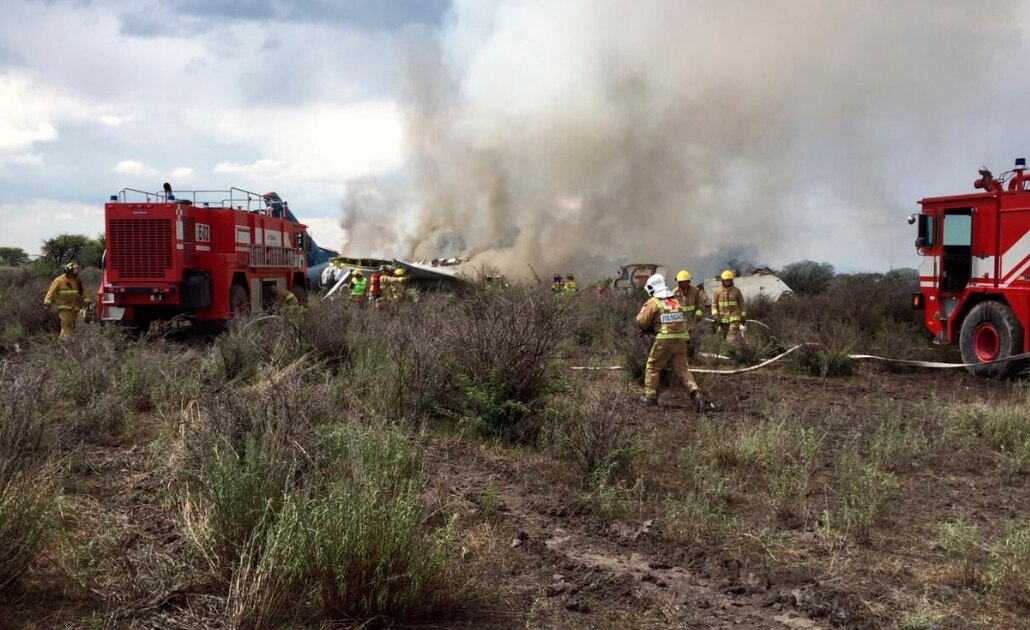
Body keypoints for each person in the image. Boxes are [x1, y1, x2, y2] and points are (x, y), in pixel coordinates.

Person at [635, 273, 711, 411]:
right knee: (682, 369)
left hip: (665, 340)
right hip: (681, 339)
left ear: (652, 288)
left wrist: (650, 325)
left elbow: (642, 321)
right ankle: (696, 394)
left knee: (653, 367)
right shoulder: (675, 301)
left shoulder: (654, 302)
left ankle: (650, 398)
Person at [44, 262, 86, 340]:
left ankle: (62, 340)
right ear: (69, 271)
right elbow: (51, 292)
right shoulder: (59, 280)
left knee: (71, 324)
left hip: (75, 307)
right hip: (63, 306)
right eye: (74, 272)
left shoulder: (77, 281)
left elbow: (82, 292)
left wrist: (87, 301)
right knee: (66, 322)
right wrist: (47, 303)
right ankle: (68, 340)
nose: (76, 274)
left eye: (77, 272)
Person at [711, 270, 747, 343]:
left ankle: (730, 348)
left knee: (731, 337)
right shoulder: (718, 292)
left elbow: (742, 304)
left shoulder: (736, 291)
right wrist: (715, 316)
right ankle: (726, 349)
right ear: (723, 280)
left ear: (731, 281)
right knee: (723, 337)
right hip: (722, 319)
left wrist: (743, 317)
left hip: (735, 318)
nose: (727, 282)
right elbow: (714, 305)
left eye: (729, 280)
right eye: (726, 280)